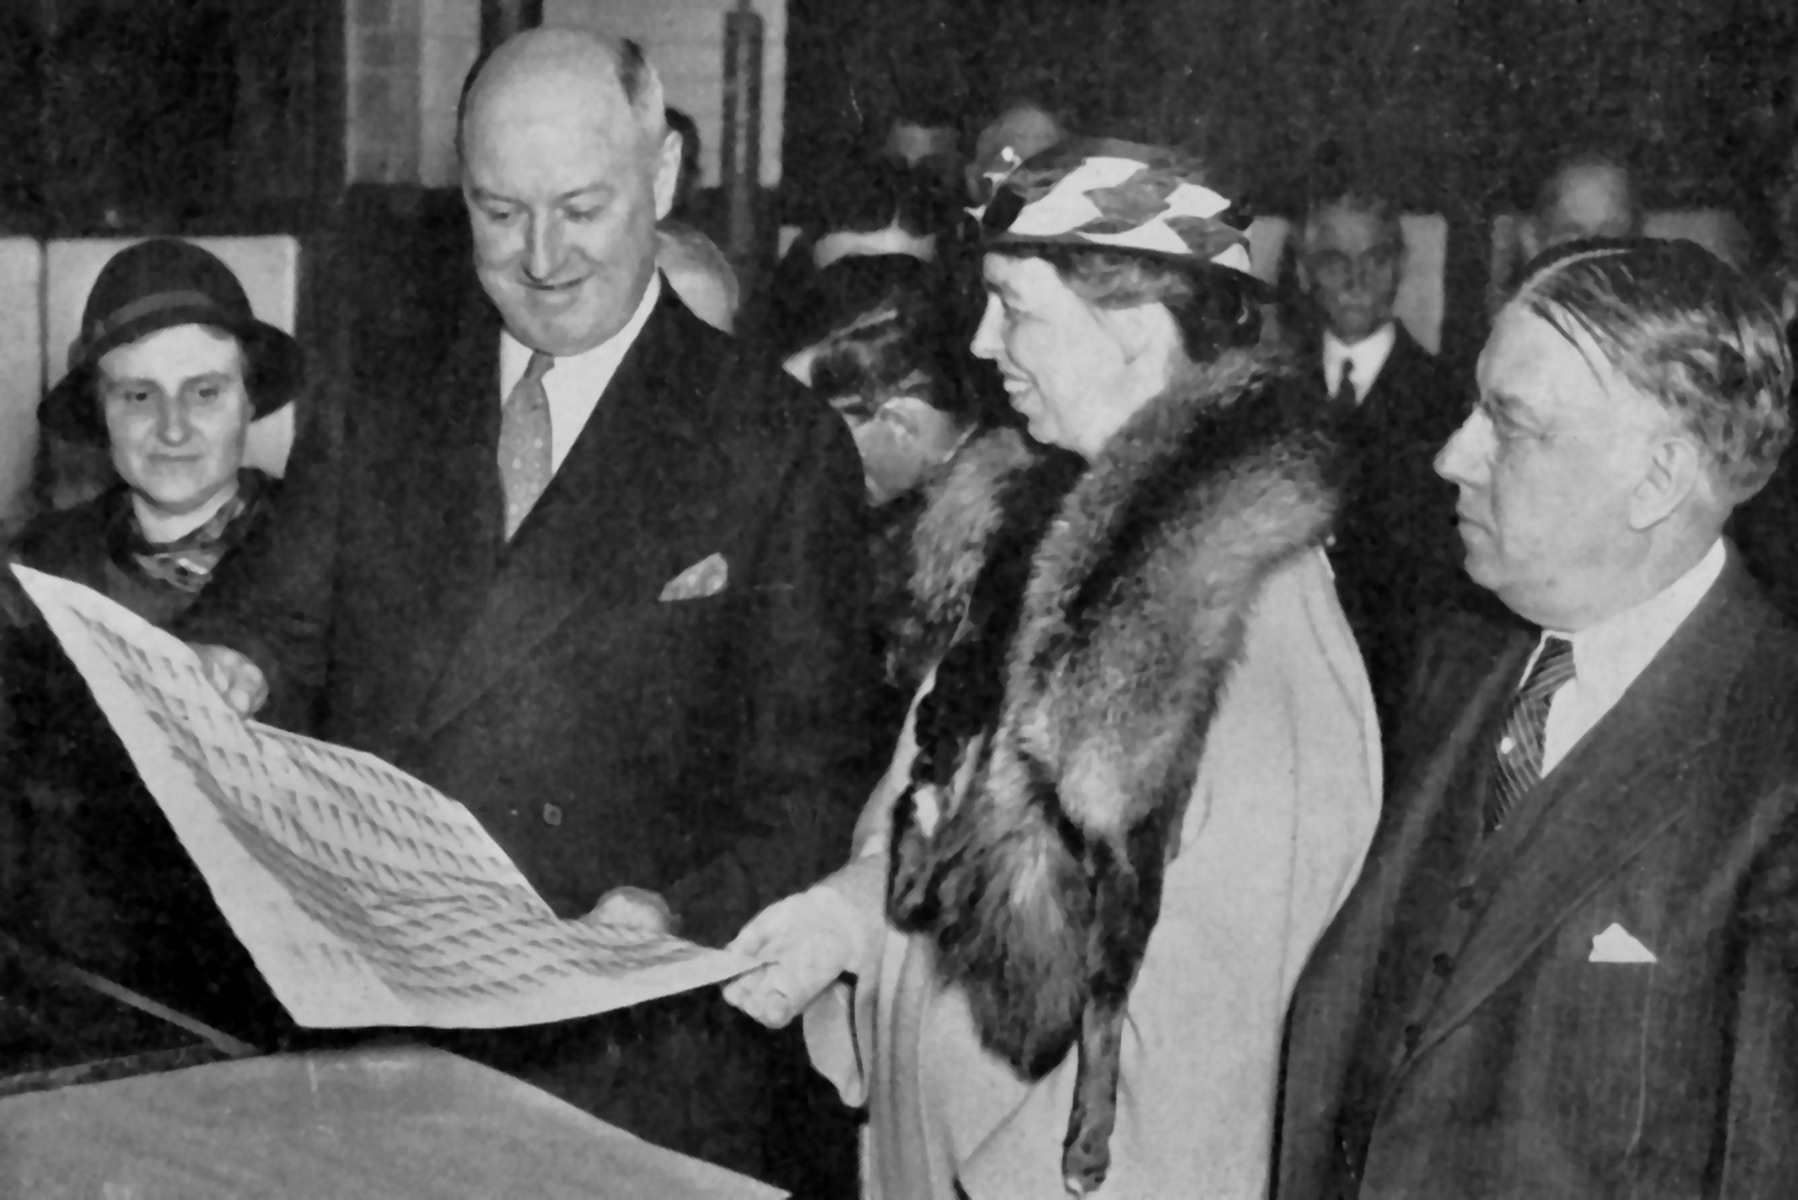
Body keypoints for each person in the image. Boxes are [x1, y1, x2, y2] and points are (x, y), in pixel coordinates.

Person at [180, 28, 876, 1185]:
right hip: (376, 1029)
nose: (541, 256)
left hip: (626, 1062)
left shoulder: (776, 441)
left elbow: (812, 785)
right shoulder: (382, 391)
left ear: (659, 179)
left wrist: (674, 914)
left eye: (581, 208)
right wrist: (228, 664)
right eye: (499, 214)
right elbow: (278, 619)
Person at [724, 140, 1382, 1198]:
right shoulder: (1049, 533)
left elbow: (1200, 1064)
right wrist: (846, 917)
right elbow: (941, 815)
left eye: (1015, 308)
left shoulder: (1249, 609)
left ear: (1130, 325)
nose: (984, 346)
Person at [1278, 237, 1798, 1197]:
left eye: (1510, 425)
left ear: (1658, 479)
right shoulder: (1447, 664)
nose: (1451, 454)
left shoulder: (1772, 767)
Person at [0, 237, 300, 1046]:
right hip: (83, 1001)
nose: (172, 428)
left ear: (250, 400)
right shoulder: (35, 571)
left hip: (278, 1011)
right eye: (138, 396)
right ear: (100, 410)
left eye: (204, 391)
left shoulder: (312, 559)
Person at [1295, 188, 1469, 738]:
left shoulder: (1448, 403)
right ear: (1304, 271)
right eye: (1333, 261)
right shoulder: (1269, 393)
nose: (1355, 279)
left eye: (1374, 259)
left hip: (1398, 697)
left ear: (1399, 265)